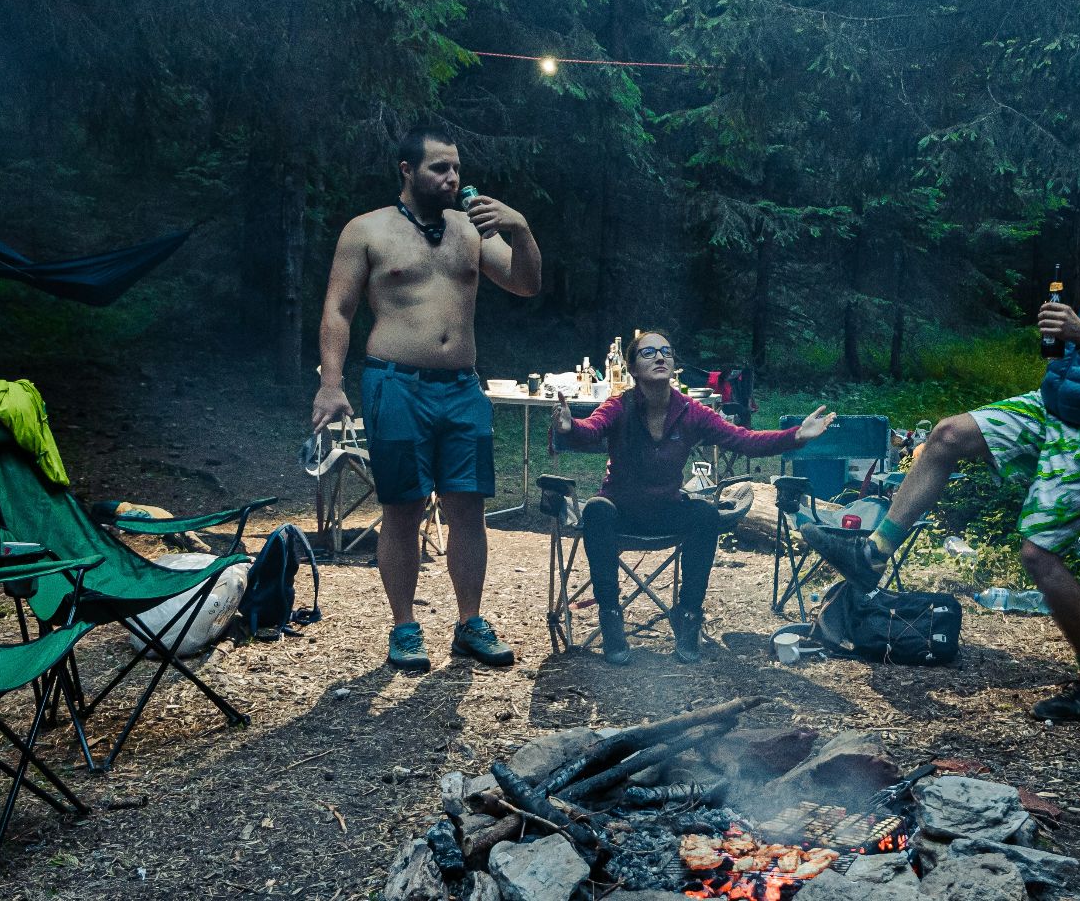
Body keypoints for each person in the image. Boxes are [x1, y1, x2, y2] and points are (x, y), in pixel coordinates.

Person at [807, 130, 1080, 721]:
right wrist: (1072, 346)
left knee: (1039, 554)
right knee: (945, 435)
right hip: (1060, 402)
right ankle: (873, 553)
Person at [310, 124, 543, 673]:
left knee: (468, 506)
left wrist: (523, 229)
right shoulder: (367, 231)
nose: (453, 178)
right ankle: (405, 628)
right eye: (440, 168)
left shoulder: (472, 229)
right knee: (403, 507)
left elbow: (527, 284)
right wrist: (330, 382)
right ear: (407, 171)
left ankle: (469, 624)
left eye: (457, 168)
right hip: (395, 383)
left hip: (462, 386)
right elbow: (338, 310)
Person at [551, 330, 835, 664]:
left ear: (673, 364)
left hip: (666, 510)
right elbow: (593, 429)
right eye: (649, 353)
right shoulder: (620, 405)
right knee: (597, 509)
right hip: (620, 511)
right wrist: (571, 426)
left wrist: (797, 435)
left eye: (666, 352)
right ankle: (611, 619)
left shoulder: (691, 412)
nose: (660, 357)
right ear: (632, 368)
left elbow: (743, 439)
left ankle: (687, 615)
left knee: (705, 514)